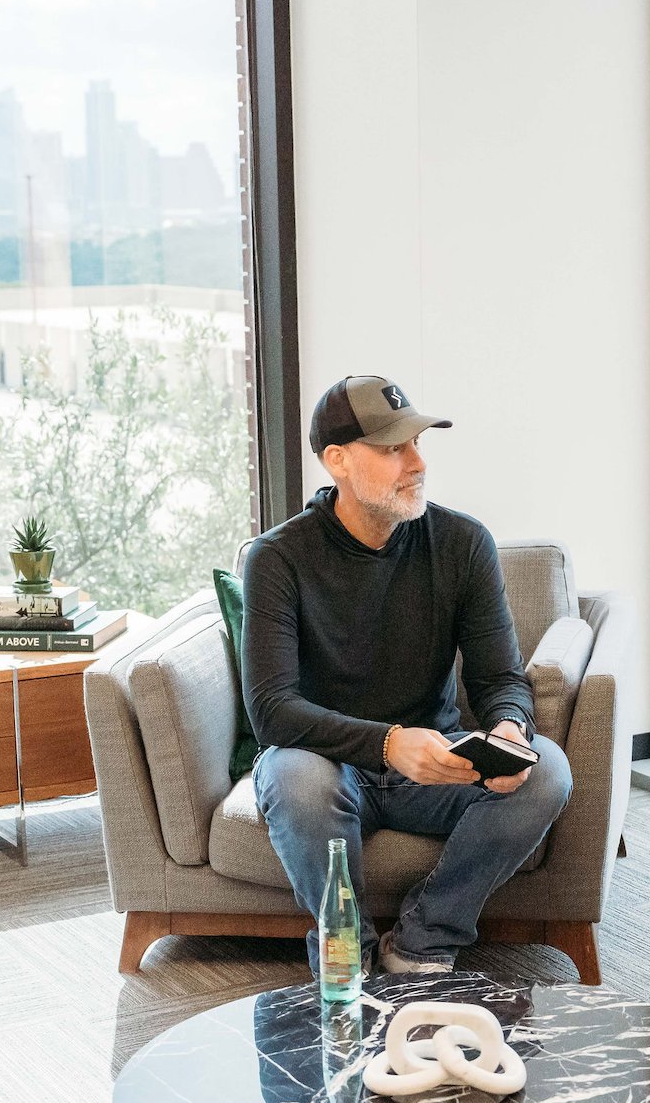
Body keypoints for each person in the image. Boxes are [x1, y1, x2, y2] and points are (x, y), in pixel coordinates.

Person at [242, 374, 572, 975]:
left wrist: (509, 728)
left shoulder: (463, 543)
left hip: (436, 764)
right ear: (337, 460)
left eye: (417, 443)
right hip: (326, 763)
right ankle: (350, 956)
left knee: (546, 769)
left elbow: (500, 676)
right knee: (292, 778)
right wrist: (389, 744)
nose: (416, 463)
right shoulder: (277, 558)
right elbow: (272, 710)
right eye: (394, 448)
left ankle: (422, 940)